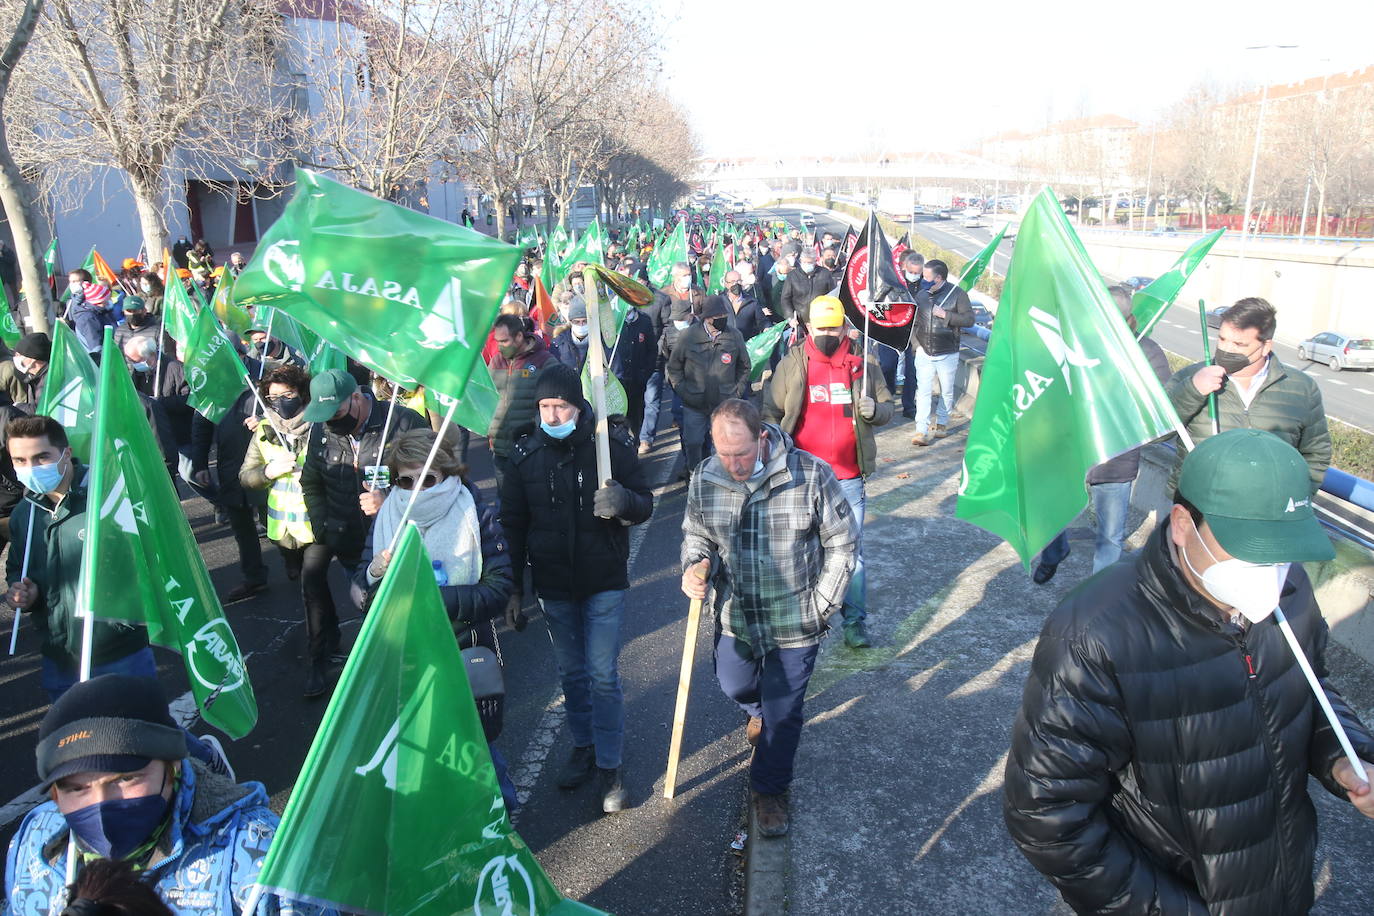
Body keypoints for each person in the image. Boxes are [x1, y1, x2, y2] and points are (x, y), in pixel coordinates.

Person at [1004, 429, 1374, 913]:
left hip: (1280, 883)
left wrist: (1346, 758)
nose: (1268, 568)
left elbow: (1308, 687)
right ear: (1182, 524)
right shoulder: (1096, 631)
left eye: (1281, 546)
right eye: (1247, 545)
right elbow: (1045, 813)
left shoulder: (1290, 590)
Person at [4, 674, 336, 915]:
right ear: (54, 795)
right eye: (76, 788)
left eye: (126, 778)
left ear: (172, 766)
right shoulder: (35, 839)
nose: (101, 806)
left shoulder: (257, 853)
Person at [680, 399, 858, 837]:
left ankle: (769, 790)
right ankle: (754, 711)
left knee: (784, 712)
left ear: (762, 437)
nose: (734, 464)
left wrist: (822, 606)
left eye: (741, 453)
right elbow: (696, 533)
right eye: (724, 454)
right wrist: (695, 564)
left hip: (796, 618)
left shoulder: (810, 474)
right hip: (737, 613)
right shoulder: (706, 477)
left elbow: (843, 543)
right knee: (733, 682)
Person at [499, 365, 654, 815]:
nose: (551, 414)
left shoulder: (609, 446)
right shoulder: (525, 455)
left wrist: (623, 502)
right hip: (553, 584)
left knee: (603, 674)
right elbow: (513, 524)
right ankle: (583, 745)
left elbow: (643, 502)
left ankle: (610, 764)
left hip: (603, 578)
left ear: (578, 405)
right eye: (545, 407)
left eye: (560, 405)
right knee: (572, 675)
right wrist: (512, 590)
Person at [350, 428, 518, 809]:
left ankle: (503, 818)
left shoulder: (475, 512)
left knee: (477, 750)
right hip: (405, 658)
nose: (415, 489)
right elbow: (360, 594)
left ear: (446, 473)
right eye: (404, 480)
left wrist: (429, 599)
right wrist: (375, 572)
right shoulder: (388, 516)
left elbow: (498, 588)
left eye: (426, 479)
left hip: (462, 651)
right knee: (418, 750)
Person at [762, 295, 892, 648]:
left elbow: (888, 407)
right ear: (808, 327)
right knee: (797, 549)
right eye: (821, 328)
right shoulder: (793, 362)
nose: (827, 333)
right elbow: (771, 412)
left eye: (834, 327)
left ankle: (855, 623)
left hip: (849, 478)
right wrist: (776, 452)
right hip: (802, 476)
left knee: (853, 555)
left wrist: (874, 409)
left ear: (845, 326)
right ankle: (800, 619)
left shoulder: (863, 363)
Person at [1032, 286, 1173, 584]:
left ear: (1129, 319)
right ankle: (1054, 552)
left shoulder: (1145, 352)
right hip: (1068, 449)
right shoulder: (1073, 342)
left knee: (1110, 537)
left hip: (1115, 457)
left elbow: (1162, 406)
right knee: (1049, 514)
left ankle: (1098, 597)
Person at [5, 417, 153, 699]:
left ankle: (202, 748)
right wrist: (24, 593)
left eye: (41, 457)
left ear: (66, 454)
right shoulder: (24, 514)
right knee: (73, 736)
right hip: (58, 653)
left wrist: (124, 619)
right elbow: (16, 567)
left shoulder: (110, 499)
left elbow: (149, 563)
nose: (31, 468)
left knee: (139, 728)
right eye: (20, 460)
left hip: (117, 648)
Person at [298, 368, 425, 697]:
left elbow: (436, 481)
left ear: (356, 397)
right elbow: (310, 481)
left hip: (395, 540)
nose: (330, 421)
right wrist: (323, 525)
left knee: (401, 609)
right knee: (365, 603)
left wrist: (393, 499)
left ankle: (412, 672)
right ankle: (363, 663)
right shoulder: (322, 429)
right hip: (347, 538)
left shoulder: (403, 423)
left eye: (337, 412)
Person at [1166, 296, 1329, 492]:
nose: (1226, 349)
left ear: (1266, 347)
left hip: (1267, 511)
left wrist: (1297, 497)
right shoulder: (1190, 377)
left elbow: (1316, 452)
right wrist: (1192, 391)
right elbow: (1154, 432)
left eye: (1239, 344)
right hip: (1197, 506)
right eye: (1222, 339)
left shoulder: (1302, 388)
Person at [191, 388, 269, 602]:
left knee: (273, 524)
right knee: (242, 527)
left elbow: (289, 414)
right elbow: (201, 426)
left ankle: (293, 559)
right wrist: (200, 465)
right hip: (230, 470)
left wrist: (264, 420)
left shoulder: (261, 384)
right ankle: (254, 577)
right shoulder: (213, 389)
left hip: (264, 469)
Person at [240, 365, 314, 584]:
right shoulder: (264, 429)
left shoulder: (320, 425)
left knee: (313, 584)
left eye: (287, 395)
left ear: (302, 393)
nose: (281, 401)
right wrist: (267, 472)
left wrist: (310, 475)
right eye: (273, 397)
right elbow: (245, 477)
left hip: (317, 525)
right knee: (297, 574)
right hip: (282, 529)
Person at [666, 295, 750, 477]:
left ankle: (724, 476)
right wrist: (683, 390)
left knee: (726, 443)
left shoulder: (734, 335)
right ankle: (695, 474)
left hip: (724, 403)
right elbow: (674, 367)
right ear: (707, 317)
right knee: (693, 442)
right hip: (694, 403)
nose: (722, 318)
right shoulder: (688, 336)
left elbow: (744, 366)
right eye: (717, 315)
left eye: (723, 314)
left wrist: (737, 391)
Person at [488, 313, 558, 488]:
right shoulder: (497, 361)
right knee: (505, 503)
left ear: (519, 336)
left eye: (504, 341)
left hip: (532, 450)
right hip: (501, 449)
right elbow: (487, 397)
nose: (499, 346)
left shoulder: (544, 361)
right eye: (497, 341)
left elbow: (558, 401)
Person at [909, 259, 973, 447]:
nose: (923, 280)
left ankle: (942, 423)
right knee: (923, 391)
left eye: (927, 277)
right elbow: (914, 321)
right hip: (923, 350)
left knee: (946, 390)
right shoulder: (921, 295)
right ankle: (921, 429)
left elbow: (969, 319)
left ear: (939, 278)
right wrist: (916, 344)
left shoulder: (957, 294)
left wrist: (946, 315)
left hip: (947, 351)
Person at [778, 248, 833, 342]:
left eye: (810, 262)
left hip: (820, 319)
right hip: (799, 321)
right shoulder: (793, 275)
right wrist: (790, 317)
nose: (807, 265)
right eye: (804, 262)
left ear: (815, 261)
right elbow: (785, 299)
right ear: (800, 261)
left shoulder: (824, 274)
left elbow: (832, 296)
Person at [68, 275, 118, 357]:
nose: (109, 301)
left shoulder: (101, 312)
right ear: (99, 301)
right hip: (103, 359)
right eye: (107, 299)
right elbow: (96, 347)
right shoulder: (88, 319)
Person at [4, 332, 51, 411]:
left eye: (19, 355)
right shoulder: (33, 376)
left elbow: (39, 410)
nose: (15, 358)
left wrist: (17, 407)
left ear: (32, 358)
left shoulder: (48, 380)